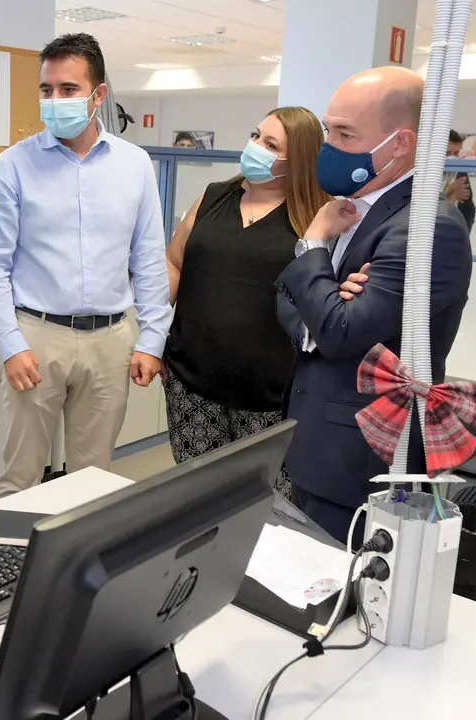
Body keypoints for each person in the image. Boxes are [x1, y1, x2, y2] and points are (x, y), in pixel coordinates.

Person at [274, 67, 473, 545]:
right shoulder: (348, 207)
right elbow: (284, 292)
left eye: (346, 133)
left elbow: (343, 333)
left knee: (344, 598)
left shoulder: (426, 228)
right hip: (313, 441)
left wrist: (314, 246)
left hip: (359, 461)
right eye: (329, 130)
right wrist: (319, 316)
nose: (329, 146)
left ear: (400, 144)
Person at [0, 33, 172, 498]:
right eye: (47, 90)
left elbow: (148, 259)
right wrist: (9, 343)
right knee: (21, 478)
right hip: (36, 337)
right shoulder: (13, 166)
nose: (55, 100)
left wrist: (152, 338)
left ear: (98, 95)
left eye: (68, 89)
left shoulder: (135, 165)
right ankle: (14, 569)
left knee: (94, 481)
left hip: (111, 340)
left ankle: (80, 569)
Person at [164, 107, 330, 500]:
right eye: (256, 136)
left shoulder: (316, 218)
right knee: (197, 496)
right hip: (192, 384)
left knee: (265, 507)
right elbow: (174, 262)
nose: (255, 147)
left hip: (271, 397)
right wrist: (147, 337)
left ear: (300, 161)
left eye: (270, 144)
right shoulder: (213, 197)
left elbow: (325, 299)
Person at [444, 129, 476, 233]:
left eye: (456, 153)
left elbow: (469, 209)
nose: (452, 157)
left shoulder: (460, 173)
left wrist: (464, 234)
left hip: (455, 231)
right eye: (447, 153)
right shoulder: (423, 175)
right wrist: (450, 193)